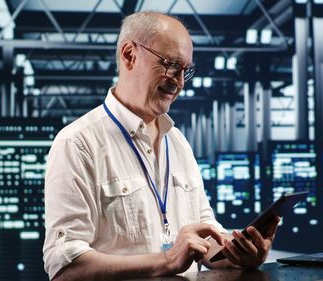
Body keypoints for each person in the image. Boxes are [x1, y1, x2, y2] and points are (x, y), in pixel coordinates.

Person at [43, 11, 280, 281]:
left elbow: (207, 237)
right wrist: (167, 260)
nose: (179, 82)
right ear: (129, 54)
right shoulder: (78, 143)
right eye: (170, 65)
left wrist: (238, 255)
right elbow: (64, 267)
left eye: (185, 70)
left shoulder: (177, 142)